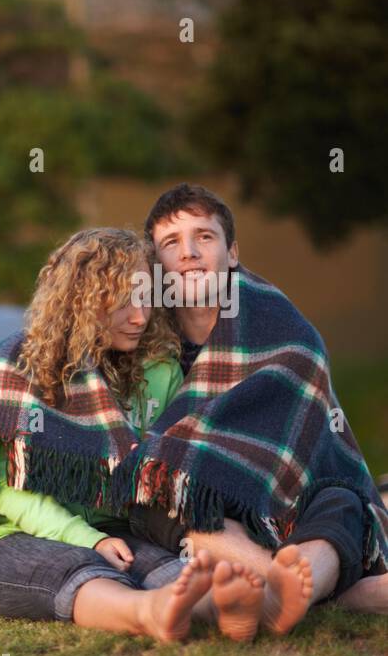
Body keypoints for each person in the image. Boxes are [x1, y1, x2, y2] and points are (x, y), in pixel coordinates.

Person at [0, 228, 257, 643]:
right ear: (81, 302)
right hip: (19, 536)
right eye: (122, 301)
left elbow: (172, 462)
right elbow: (5, 490)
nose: (140, 316)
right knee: (76, 571)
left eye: (144, 297)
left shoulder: (160, 371)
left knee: (169, 571)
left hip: (119, 526)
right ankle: (147, 614)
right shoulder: (15, 367)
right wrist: (87, 538)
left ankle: (224, 607)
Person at [129, 184, 388, 628]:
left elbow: (318, 451)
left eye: (204, 237)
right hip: (199, 507)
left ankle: (300, 583)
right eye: (172, 243)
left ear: (232, 253)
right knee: (161, 485)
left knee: (340, 498)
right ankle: (294, 588)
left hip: (283, 501)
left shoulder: (285, 332)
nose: (189, 252)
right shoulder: (136, 334)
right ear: (156, 266)